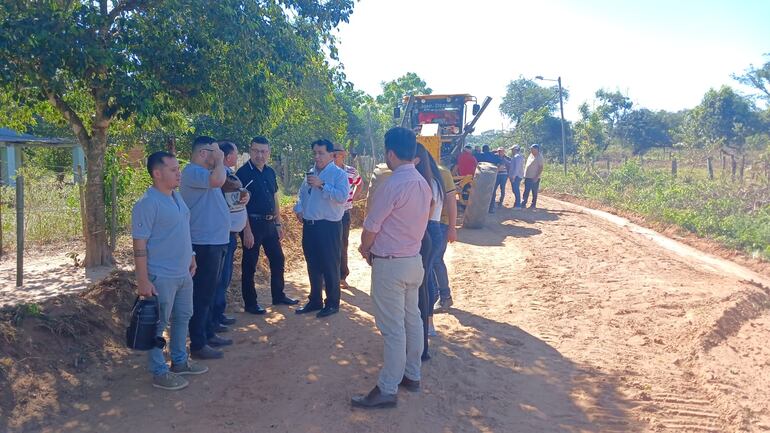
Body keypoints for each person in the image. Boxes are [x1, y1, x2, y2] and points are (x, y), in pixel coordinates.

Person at [352, 127, 431, 409]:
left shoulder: (393, 184)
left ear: (390, 153)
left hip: (391, 265)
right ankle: (412, 374)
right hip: (413, 261)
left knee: (393, 329)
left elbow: (371, 226)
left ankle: (387, 388)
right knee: (413, 320)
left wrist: (364, 248)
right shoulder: (423, 184)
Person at [132, 151, 208, 391]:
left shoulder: (176, 197)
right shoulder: (147, 203)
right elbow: (139, 245)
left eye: (178, 169)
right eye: (174, 170)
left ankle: (179, 361)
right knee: (157, 324)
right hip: (160, 276)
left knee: (183, 317)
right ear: (157, 173)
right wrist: (143, 280)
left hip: (183, 273)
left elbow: (183, 229)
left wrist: (192, 255)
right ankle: (159, 371)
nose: (179, 173)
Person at [180, 136, 233, 360]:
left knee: (211, 291)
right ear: (203, 154)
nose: (219, 155)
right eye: (215, 152)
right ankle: (198, 343)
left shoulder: (207, 174)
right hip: (203, 243)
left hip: (215, 241)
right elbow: (218, 181)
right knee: (201, 294)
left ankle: (209, 332)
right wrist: (221, 161)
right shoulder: (192, 172)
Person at [236, 136, 298, 315]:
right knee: (250, 265)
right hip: (252, 224)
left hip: (270, 224)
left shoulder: (270, 172)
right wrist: (246, 231)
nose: (260, 155)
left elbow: (274, 198)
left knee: (278, 259)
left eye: (263, 151)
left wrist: (278, 223)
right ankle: (250, 303)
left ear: (269, 153)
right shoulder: (242, 174)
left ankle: (278, 295)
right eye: (256, 151)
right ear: (250, 151)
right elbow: (240, 205)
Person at [293, 139, 349, 318]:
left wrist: (322, 184)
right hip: (310, 227)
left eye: (321, 153)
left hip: (329, 226)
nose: (317, 157)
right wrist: (299, 208)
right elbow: (301, 194)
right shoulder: (310, 172)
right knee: (313, 265)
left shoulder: (338, 174)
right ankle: (315, 299)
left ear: (331, 155)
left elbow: (342, 197)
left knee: (330, 265)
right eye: (315, 153)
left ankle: (332, 303)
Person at [209, 141, 247, 333]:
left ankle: (219, 315)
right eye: (235, 153)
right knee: (219, 278)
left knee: (224, 277)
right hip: (221, 235)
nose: (236, 156)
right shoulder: (220, 174)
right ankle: (213, 319)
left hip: (230, 234)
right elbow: (230, 189)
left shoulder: (226, 173)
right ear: (228, 156)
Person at [333, 145, 362, 289]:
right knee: (329, 246)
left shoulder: (351, 171)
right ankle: (329, 276)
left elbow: (360, 183)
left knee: (343, 244)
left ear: (342, 156)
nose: (332, 158)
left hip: (344, 213)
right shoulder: (327, 172)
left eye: (335, 155)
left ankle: (342, 276)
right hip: (330, 214)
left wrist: (353, 198)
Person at [430, 162, 458, 313]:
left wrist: (452, 228)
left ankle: (445, 296)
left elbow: (452, 201)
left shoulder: (443, 172)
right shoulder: (414, 169)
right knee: (429, 261)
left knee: (436, 260)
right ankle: (434, 295)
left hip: (441, 222)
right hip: (425, 223)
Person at [522, 143, 545, 209]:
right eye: (531, 149)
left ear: (537, 149)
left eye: (532, 149)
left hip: (534, 177)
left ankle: (533, 204)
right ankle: (524, 202)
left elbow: (541, 168)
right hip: (528, 176)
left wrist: (536, 177)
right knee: (526, 190)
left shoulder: (539, 157)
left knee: (534, 191)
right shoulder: (531, 155)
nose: (531, 150)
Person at [490, 147, 510, 211]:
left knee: (502, 188)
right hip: (497, 175)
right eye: (499, 151)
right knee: (494, 188)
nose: (500, 152)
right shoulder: (495, 157)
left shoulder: (507, 158)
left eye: (501, 151)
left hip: (504, 175)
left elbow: (510, 165)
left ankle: (501, 202)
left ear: (504, 152)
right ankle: (493, 202)